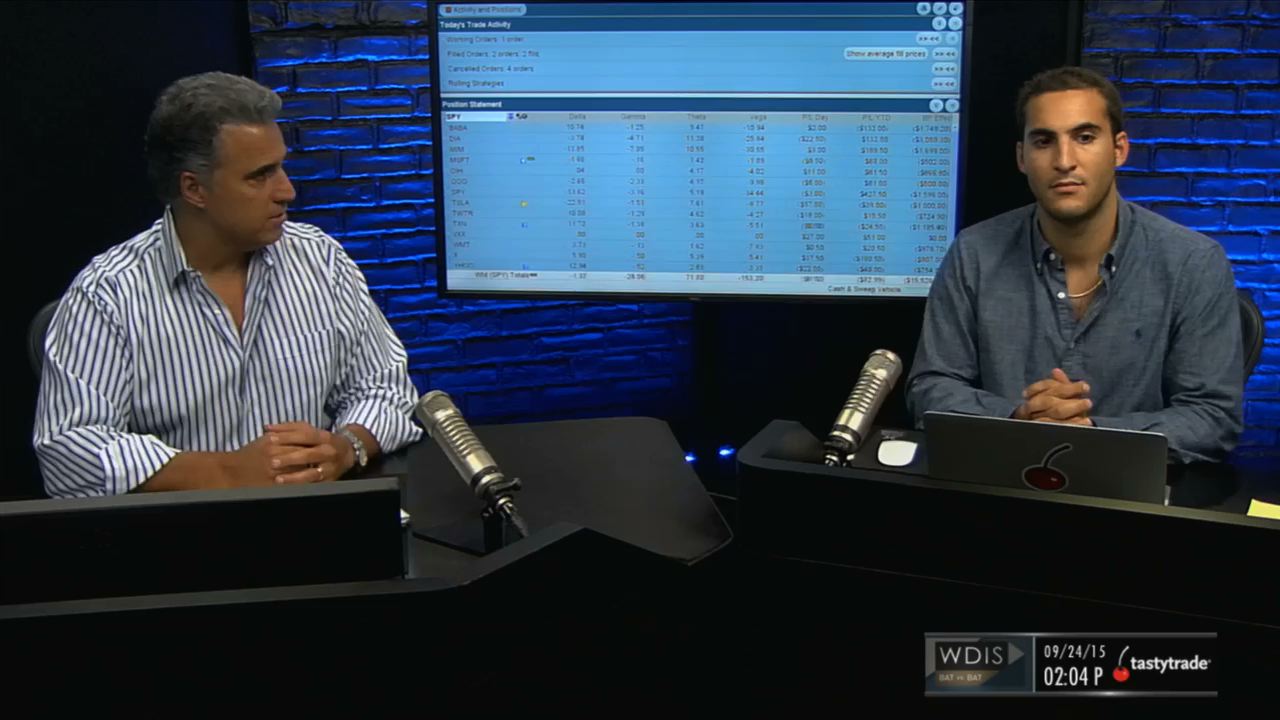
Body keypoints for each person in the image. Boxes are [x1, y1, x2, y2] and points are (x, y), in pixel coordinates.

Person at [33, 72, 422, 497]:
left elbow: (386, 388)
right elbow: (69, 453)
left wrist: (346, 448)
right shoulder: (108, 294)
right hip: (180, 528)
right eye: (260, 176)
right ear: (194, 188)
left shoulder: (320, 261)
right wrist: (226, 472)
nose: (287, 191)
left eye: (281, 167)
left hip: (312, 516)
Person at [906, 66, 1243, 463]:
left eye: (1084, 137)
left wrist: (1092, 434)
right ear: (1022, 157)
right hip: (998, 480)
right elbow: (931, 386)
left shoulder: (1193, 262)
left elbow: (1212, 416)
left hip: (1129, 490)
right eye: (1044, 141)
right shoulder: (974, 252)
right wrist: (1017, 418)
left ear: (1119, 149)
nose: (1064, 161)